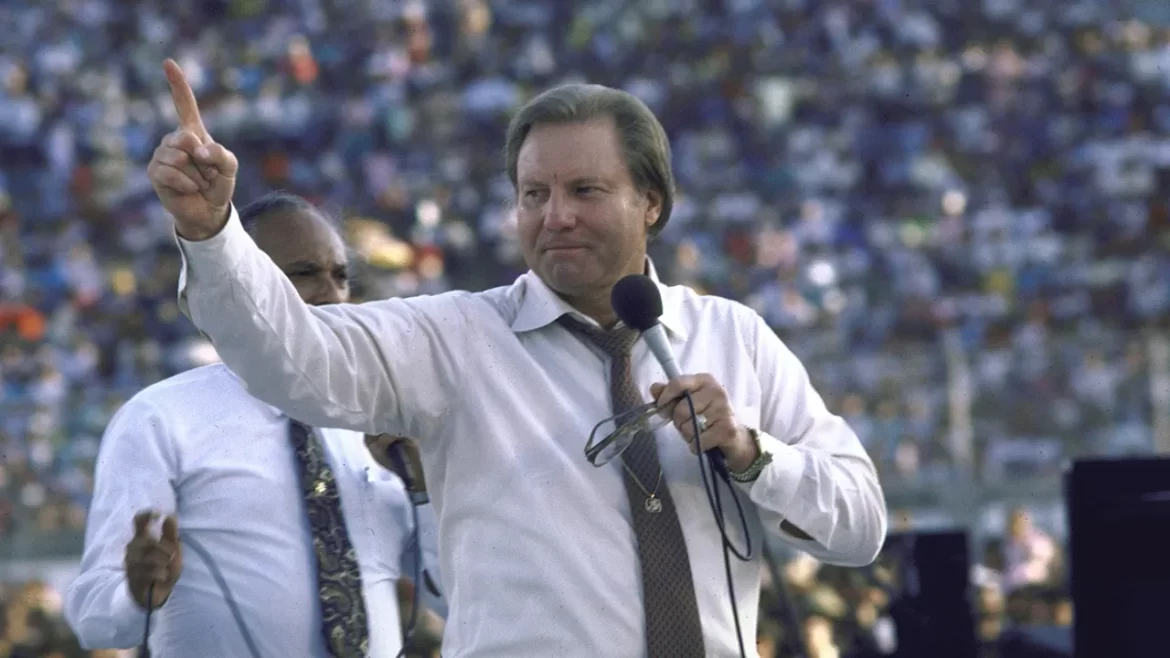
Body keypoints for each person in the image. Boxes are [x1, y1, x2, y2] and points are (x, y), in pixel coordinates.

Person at [150, 58, 887, 657]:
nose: (555, 215)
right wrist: (213, 235)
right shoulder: (454, 339)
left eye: (585, 190)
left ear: (652, 202)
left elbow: (859, 524)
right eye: (534, 193)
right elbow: (289, 358)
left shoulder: (734, 336)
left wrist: (752, 454)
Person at [64, 191, 444, 658]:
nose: (332, 294)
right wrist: (136, 594)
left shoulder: (381, 421)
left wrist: (430, 490)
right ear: (240, 285)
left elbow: (452, 598)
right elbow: (94, 619)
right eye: (303, 274)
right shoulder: (161, 419)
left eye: (341, 276)